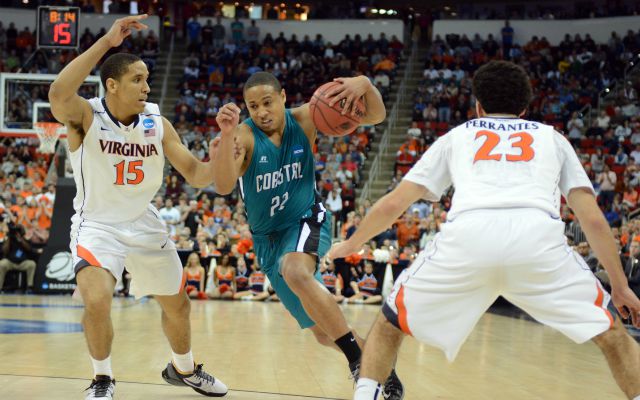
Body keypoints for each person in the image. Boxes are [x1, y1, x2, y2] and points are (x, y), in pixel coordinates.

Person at [326, 60, 640, 400]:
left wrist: (351, 242)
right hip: (536, 239)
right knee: (613, 335)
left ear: (477, 106)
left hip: (469, 236)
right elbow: (591, 219)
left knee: (389, 324)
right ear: (524, 108)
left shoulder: (457, 136)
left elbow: (393, 203)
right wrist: (620, 286)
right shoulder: (553, 139)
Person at [47, 15, 227, 399]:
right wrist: (107, 42)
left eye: (147, 79)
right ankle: (102, 379)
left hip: (144, 223)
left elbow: (196, 174)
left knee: (178, 306)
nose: (147, 86)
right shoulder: (85, 116)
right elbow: (59, 93)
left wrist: (221, 151)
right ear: (111, 84)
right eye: (137, 79)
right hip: (97, 225)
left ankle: (184, 369)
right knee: (96, 300)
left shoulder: (157, 123)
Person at [212, 71, 403, 398]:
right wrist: (226, 138)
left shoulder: (307, 117)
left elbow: (376, 115)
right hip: (267, 241)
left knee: (295, 271)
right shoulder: (242, 136)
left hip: (306, 218)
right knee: (323, 333)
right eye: (253, 106)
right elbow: (223, 186)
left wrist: (365, 84)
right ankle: (380, 364)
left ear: (283, 97)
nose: (261, 112)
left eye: (267, 102)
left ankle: (359, 363)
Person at [0, 222, 37, 292]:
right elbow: (4, 251)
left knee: (32, 264)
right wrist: (9, 238)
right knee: (1, 264)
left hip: (22, 263)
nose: (16, 233)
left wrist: (21, 240)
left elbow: (30, 249)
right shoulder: (9, 240)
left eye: (18, 231)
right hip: (10, 263)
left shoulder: (25, 240)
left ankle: (29, 286)